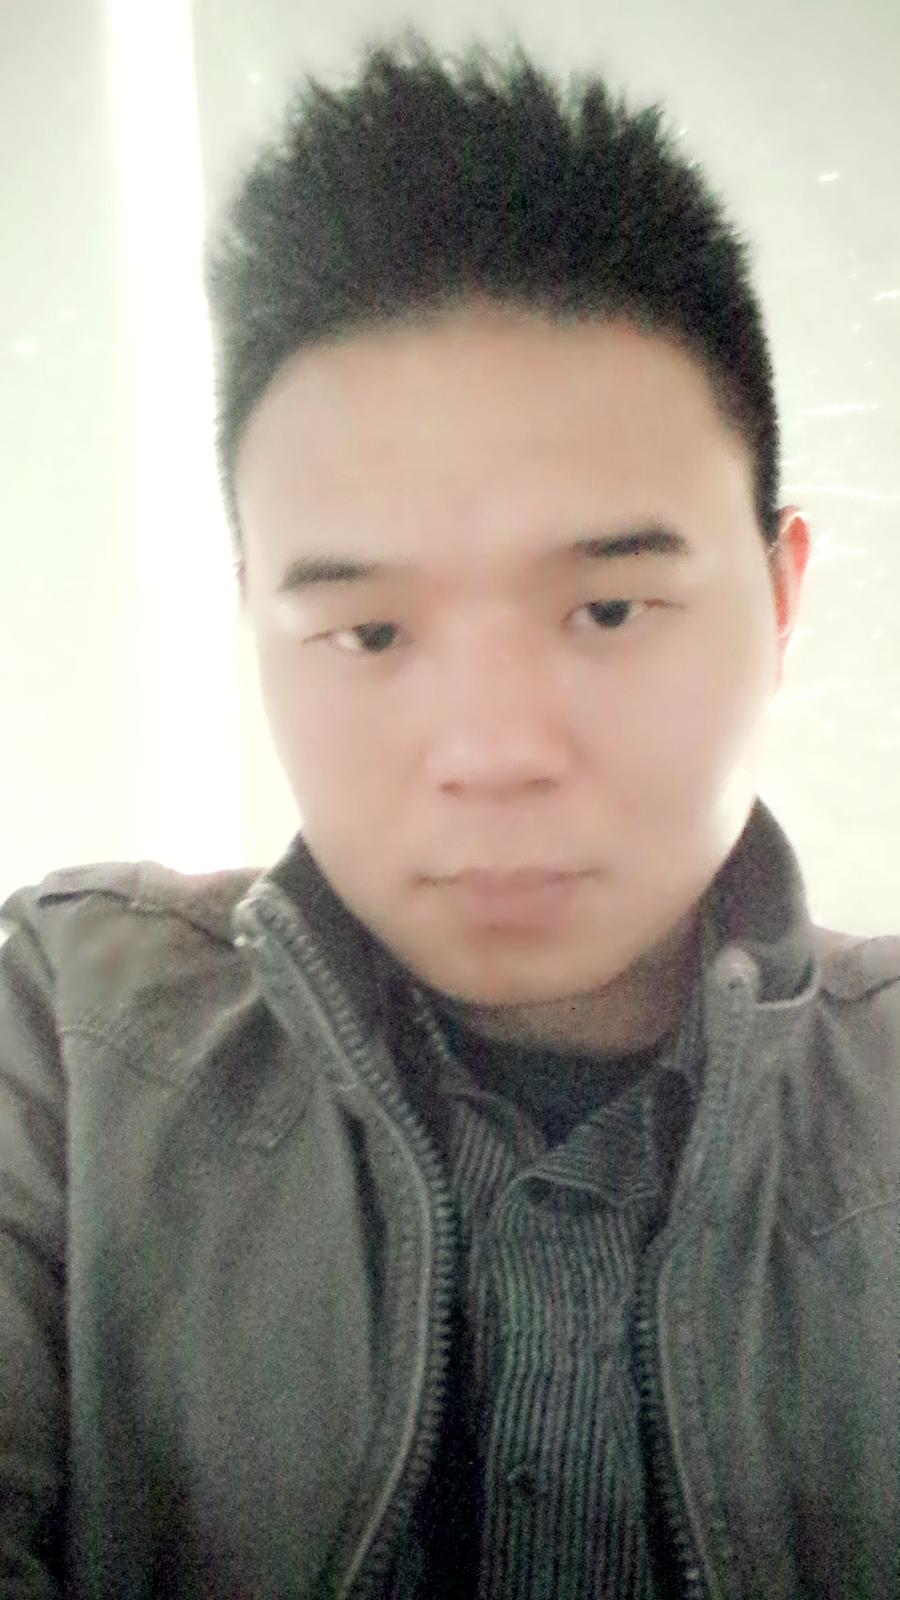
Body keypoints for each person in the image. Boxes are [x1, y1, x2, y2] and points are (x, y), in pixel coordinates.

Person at [1, 27, 897, 1600]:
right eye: (369, 631)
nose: (490, 753)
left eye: (608, 609)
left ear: (778, 597)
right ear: (258, 627)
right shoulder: (68, 1054)